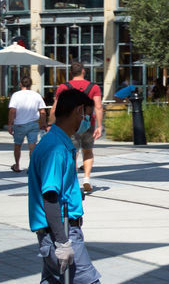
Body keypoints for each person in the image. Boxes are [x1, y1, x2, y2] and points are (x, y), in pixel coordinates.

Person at [28, 85, 100, 284]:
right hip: (62, 231)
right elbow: (50, 197)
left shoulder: (57, 143)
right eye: (87, 115)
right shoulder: (56, 149)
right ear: (78, 111)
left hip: (56, 232)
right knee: (89, 281)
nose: (87, 121)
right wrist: (62, 242)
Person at [50, 62, 103, 194]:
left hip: (69, 125)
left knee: (72, 152)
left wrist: (51, 124)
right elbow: (98, 107)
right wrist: (99, 126)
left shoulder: (63, 87)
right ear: (83, 71)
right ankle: (86, 179)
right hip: (87, 124)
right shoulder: (93, 87)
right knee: (88, 151)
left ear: (71, 72)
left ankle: (72, 181)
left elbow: (55, 107)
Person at [8, 75, 48, 172]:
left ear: (20, 84)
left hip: (19, 124)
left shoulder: (16, 95)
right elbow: (42, 111)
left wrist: (10, 124)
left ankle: (17, 165)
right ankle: (32, 167)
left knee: (17, 145)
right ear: (30, 84)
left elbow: (12, 111)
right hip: (33, 124)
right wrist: (43, 124)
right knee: (32, 145)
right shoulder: (37, 95)